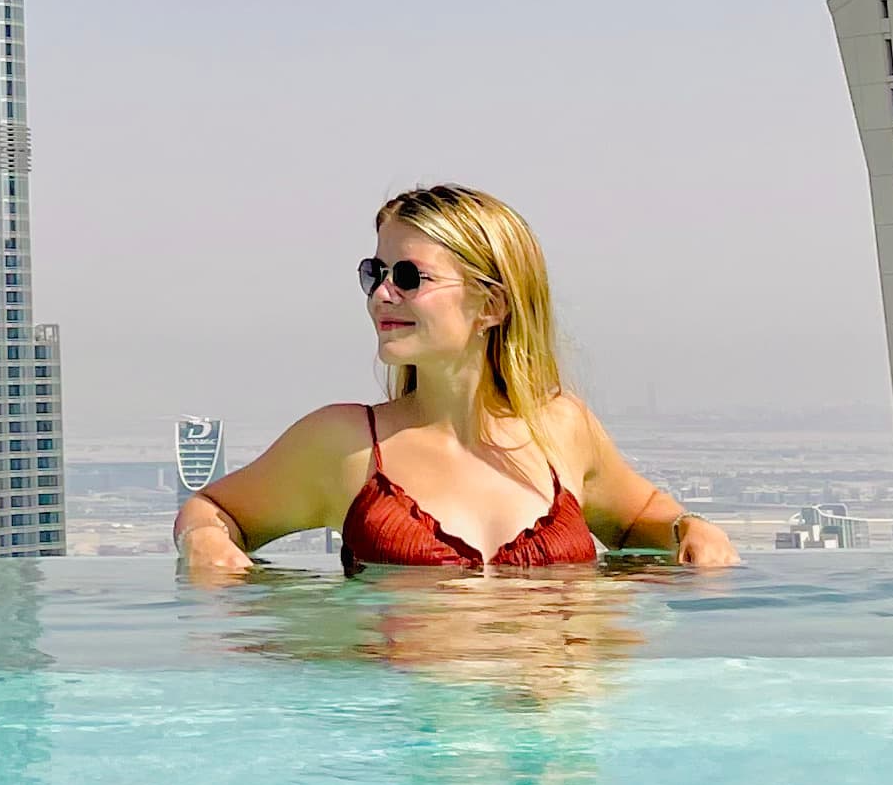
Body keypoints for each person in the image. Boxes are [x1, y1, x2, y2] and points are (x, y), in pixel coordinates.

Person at [175, 182, 738, 577]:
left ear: (490, 304)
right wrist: (203, 542)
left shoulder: (561, 429)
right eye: (375, 273)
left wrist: (690, 530)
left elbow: (639, 518)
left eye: (407, 276)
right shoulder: (345, 445)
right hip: (412, 737)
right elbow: (212, 512)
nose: (380, 294)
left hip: (551, 737)